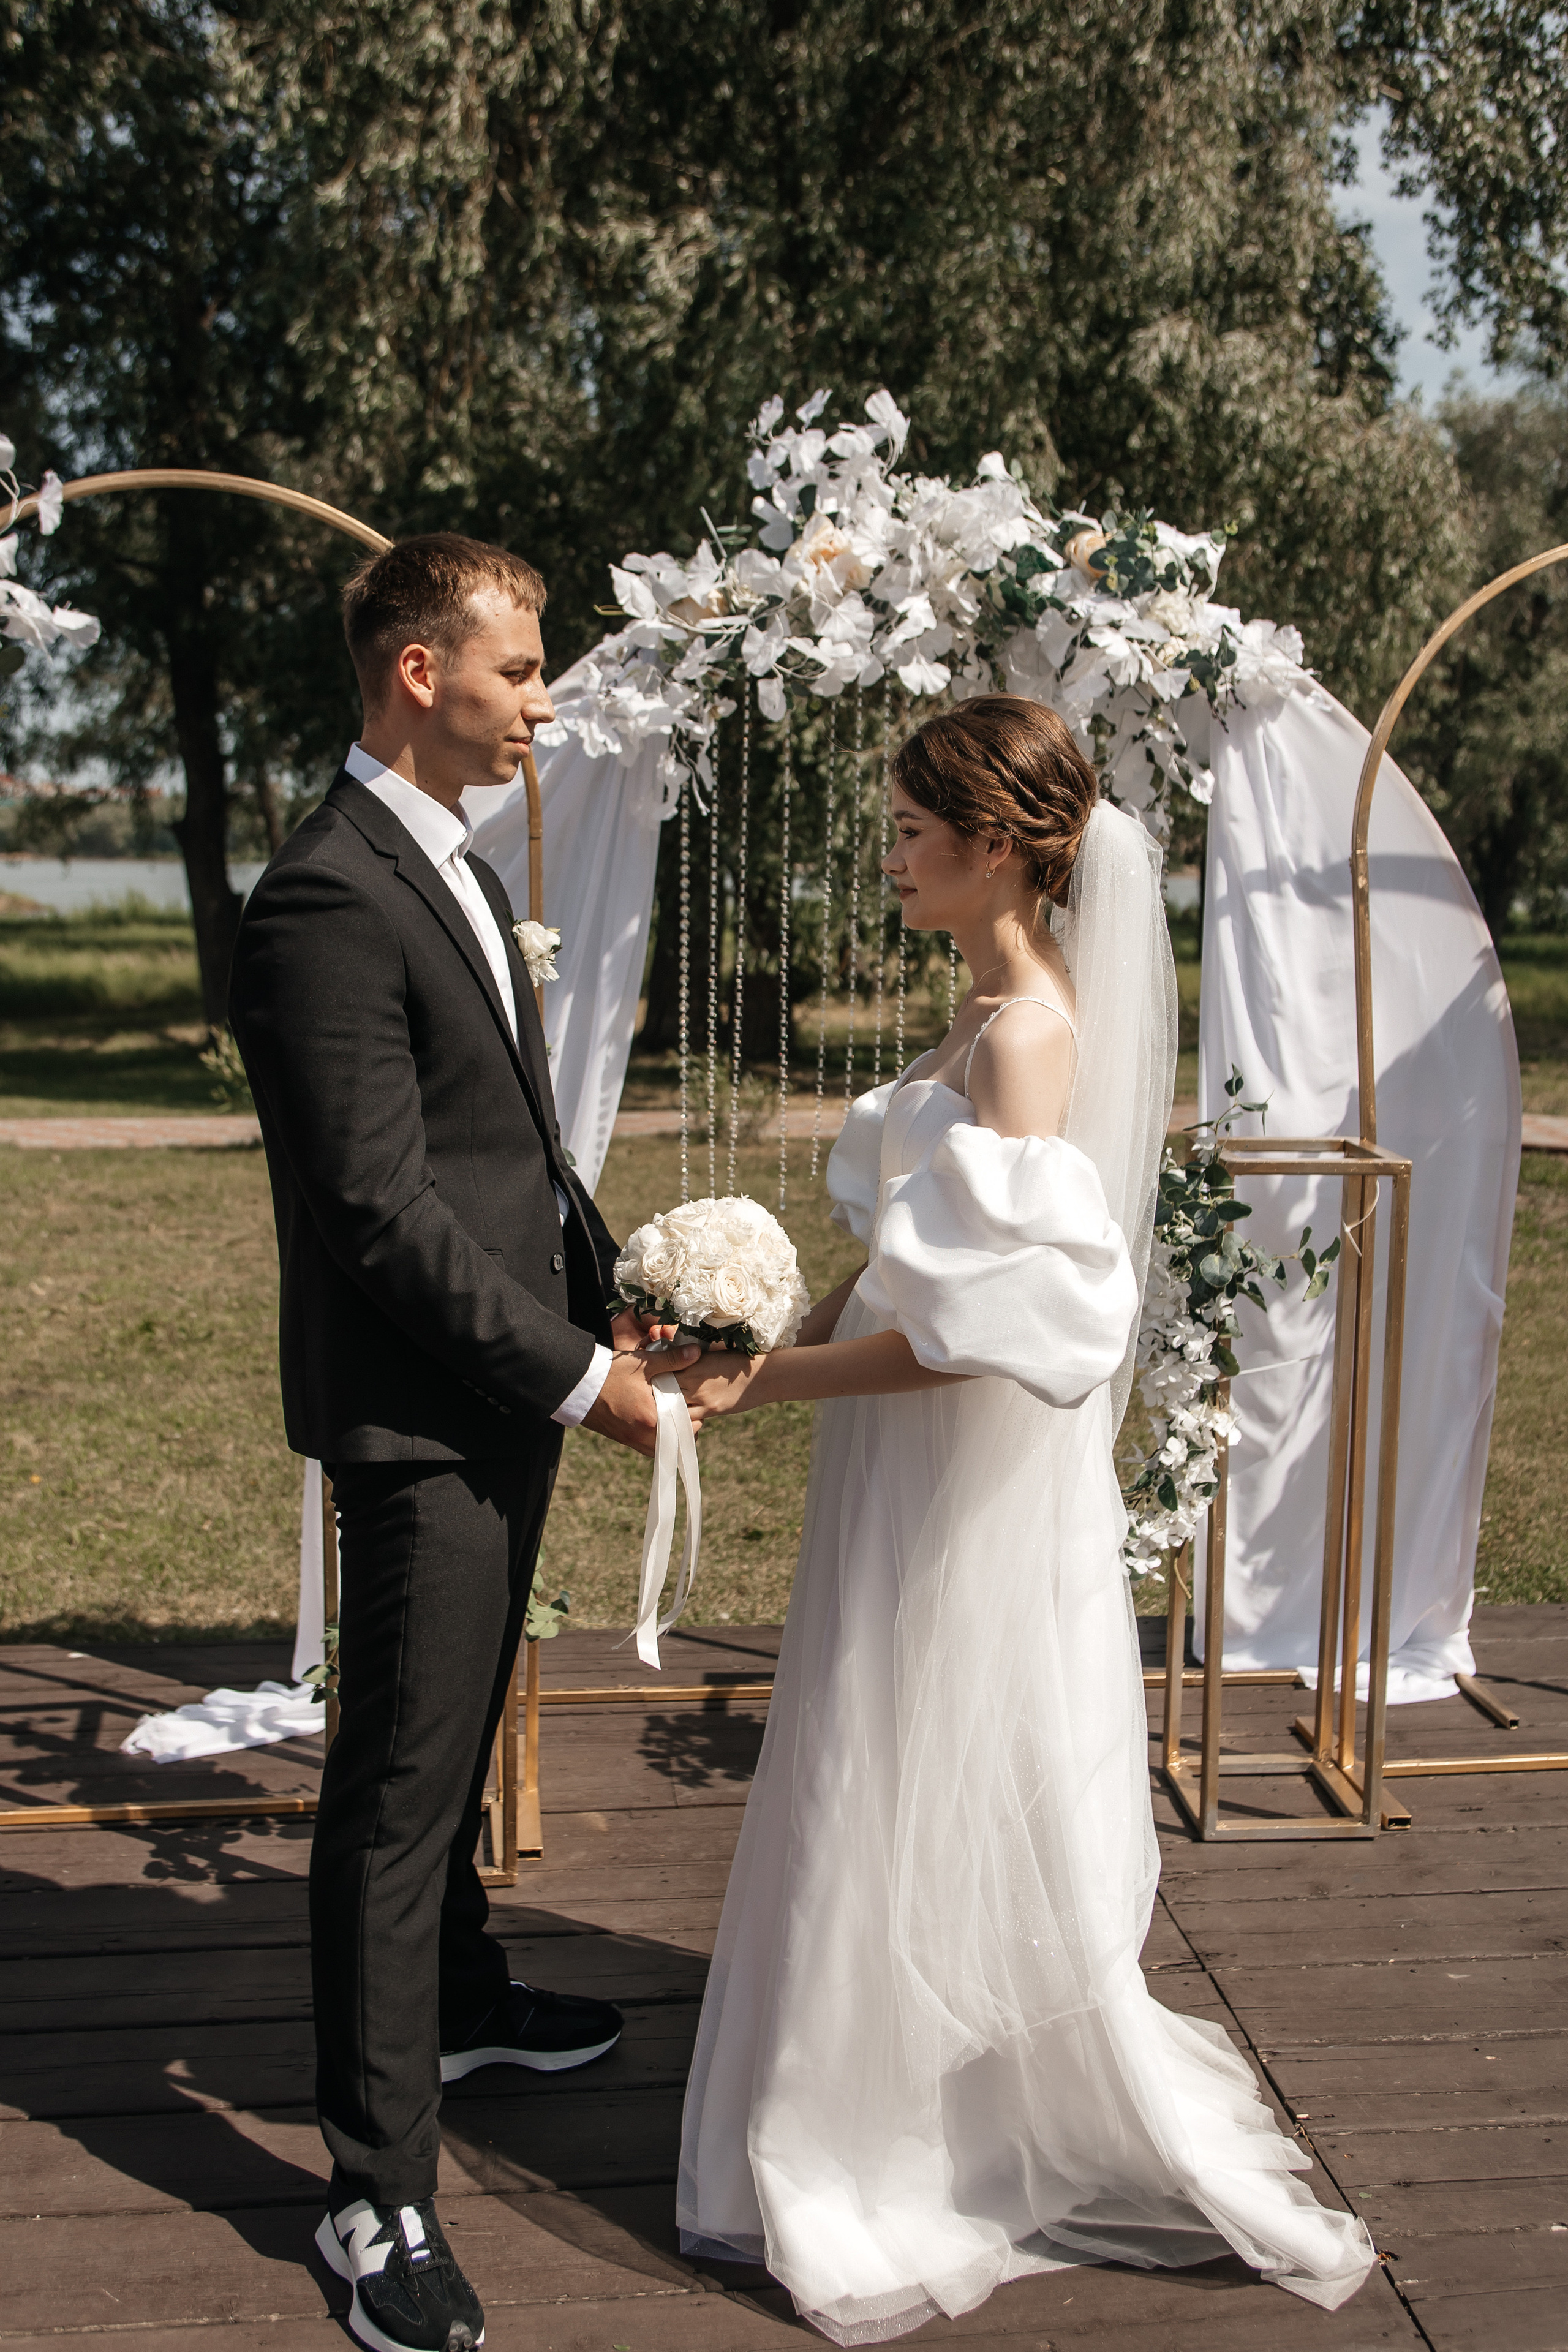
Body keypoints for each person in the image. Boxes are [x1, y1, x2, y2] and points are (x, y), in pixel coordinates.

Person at [672, 696, 1376, 2342]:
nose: (890, 853)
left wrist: (764, 1393)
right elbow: (916, 1270)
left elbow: (966, 1344)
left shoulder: (1026, 1040)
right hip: (902, 1473)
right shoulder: (984, 1011)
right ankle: (870, 2092)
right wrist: (758, 1324)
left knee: (912, 1759)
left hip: (957, 1478)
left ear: (997, 843)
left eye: (913, 829)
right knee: (878, 1754)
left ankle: (891, 2135)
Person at [229, 533, 704, 2352]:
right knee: (401, 1788)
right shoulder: (328, 896)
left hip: (501, 1380)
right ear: (419, 674)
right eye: (518, 671)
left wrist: (614, 1297)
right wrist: (586, 1384)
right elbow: (378, 1214)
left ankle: (465, 1995)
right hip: (424, 1420)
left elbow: (497, 1153)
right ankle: (375, 2198)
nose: (543, 701)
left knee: (448, 1736)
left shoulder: (442, 864)